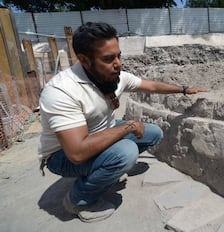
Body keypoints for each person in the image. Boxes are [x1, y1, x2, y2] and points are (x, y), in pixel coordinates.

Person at [38, 22, 208, 223]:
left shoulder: (112, 76)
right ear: (84, 60)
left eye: (119, 55)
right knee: (126, 152)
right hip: (62, 155)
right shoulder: (62, 91)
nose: (118, 63)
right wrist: (128, 126)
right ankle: (79, 199)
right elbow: (76, 153)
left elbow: (151, 86)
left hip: (98, 134)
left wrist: (183, 89)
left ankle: (105, 169)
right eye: (108, 59)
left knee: (153, 133)